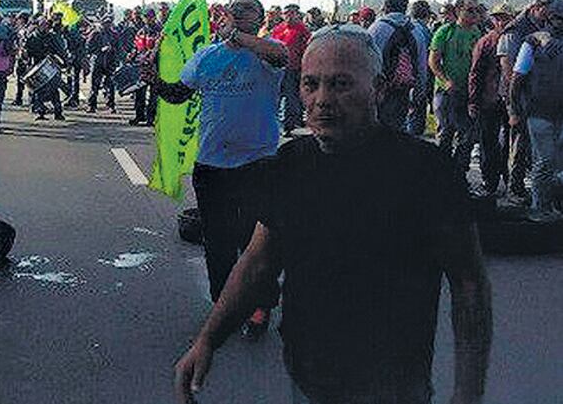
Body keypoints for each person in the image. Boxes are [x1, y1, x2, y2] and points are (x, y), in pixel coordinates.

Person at [174, 24, 492, 404]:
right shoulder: (290, 165)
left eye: (340, 84)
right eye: (311, 84)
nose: (322, 99)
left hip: (393, 387)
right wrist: (208, 340)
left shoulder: (427, 171)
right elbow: (258, 264)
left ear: (377, 88)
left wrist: (468, 392)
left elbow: (469, 283)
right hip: (308, 379)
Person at [144, 0, 287, 337]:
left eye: (248, 9)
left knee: (253, 240)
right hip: (212, 164)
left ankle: (260, 305)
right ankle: (225, 303)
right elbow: (180, 93)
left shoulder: (268, 54)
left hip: (258, 163)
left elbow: (282, 56)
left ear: (260, 18)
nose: (239, 13)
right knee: (219, 241)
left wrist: (236, 36)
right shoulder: (208, 56)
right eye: (235, 9)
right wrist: (155, 81)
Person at [497, 0, 561, 205]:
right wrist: (514, 108)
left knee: (549, 160)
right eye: (556, 17)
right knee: (532, 154)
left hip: (553, 108)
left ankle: (545, 201)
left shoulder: (544, 38)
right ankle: (520, 193)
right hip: (531, 104)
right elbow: (513, 75)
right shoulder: (525, 36)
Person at [429, 0, 482, 180]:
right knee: (445, 132)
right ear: (459, 11)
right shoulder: (445, 31)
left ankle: (459, 174)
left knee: (467, 134)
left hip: (468, 92)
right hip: (446, 92)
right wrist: (446, 81)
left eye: (476, 10)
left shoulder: (477, 33)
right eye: (470, 10)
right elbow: (433, 62)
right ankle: (440, 175)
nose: (474, 14)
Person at [468, 3, 515, 198]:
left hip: (511, 100)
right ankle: (489, 181)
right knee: (488, 141)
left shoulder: (517, 41)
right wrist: (473, 101)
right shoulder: (485, 42)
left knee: (509, 143)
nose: (501, 21)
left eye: (505, 17)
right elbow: (475, 73)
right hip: (489, 99)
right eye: (498, 17)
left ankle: (509, 179)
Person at [368, 0, 427, 132]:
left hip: (377, 89)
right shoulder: (415, 30)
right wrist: (419, 93)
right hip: (403, 90)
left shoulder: (376, 29)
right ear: (406, 5)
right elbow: (421, 67)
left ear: (386, 4)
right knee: (397, 131)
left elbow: (367, 62)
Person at [271, 4, 311, 136]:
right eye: (286, 13)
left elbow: (307, 49)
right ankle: (276, 124)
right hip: (277, 69)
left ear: (297, 14)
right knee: (276, 97)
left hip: (294, 69)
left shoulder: (303, 30)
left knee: (291, 97)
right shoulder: (278, 30)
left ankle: (290, 124)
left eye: (291, 13)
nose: (288, 15)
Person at [26, 16, 68, 121]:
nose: (45, 27)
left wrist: (65, 63)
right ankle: (40, 112)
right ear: (38, 25)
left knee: (54, 89)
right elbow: (27, 54)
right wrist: (27, 61)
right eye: (42, 24)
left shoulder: (52, 37)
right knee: (38, 90)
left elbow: (60, 51)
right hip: (37, 65)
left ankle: (58, 112)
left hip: (51, 65)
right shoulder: (32, 38)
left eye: (46, 25)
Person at [407, 0, 434, 136]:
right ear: (427, 15)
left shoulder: (407, 27)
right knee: (416, 121)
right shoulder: (425, 32)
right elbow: (427, 60)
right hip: (419, 78)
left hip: (402, 79)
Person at [86, 15, 119, 113]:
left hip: (109, 62)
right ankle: (92, 105)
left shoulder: (114, 34)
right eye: (106, 23)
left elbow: (118, 48)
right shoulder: (95, 33)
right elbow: (88, 47)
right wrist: (100, 50)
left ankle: (111, 105)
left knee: (110, 85)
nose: (107, 25)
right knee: (94, 85)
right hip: (98, 62)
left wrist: (112, 50)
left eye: (109, 23)